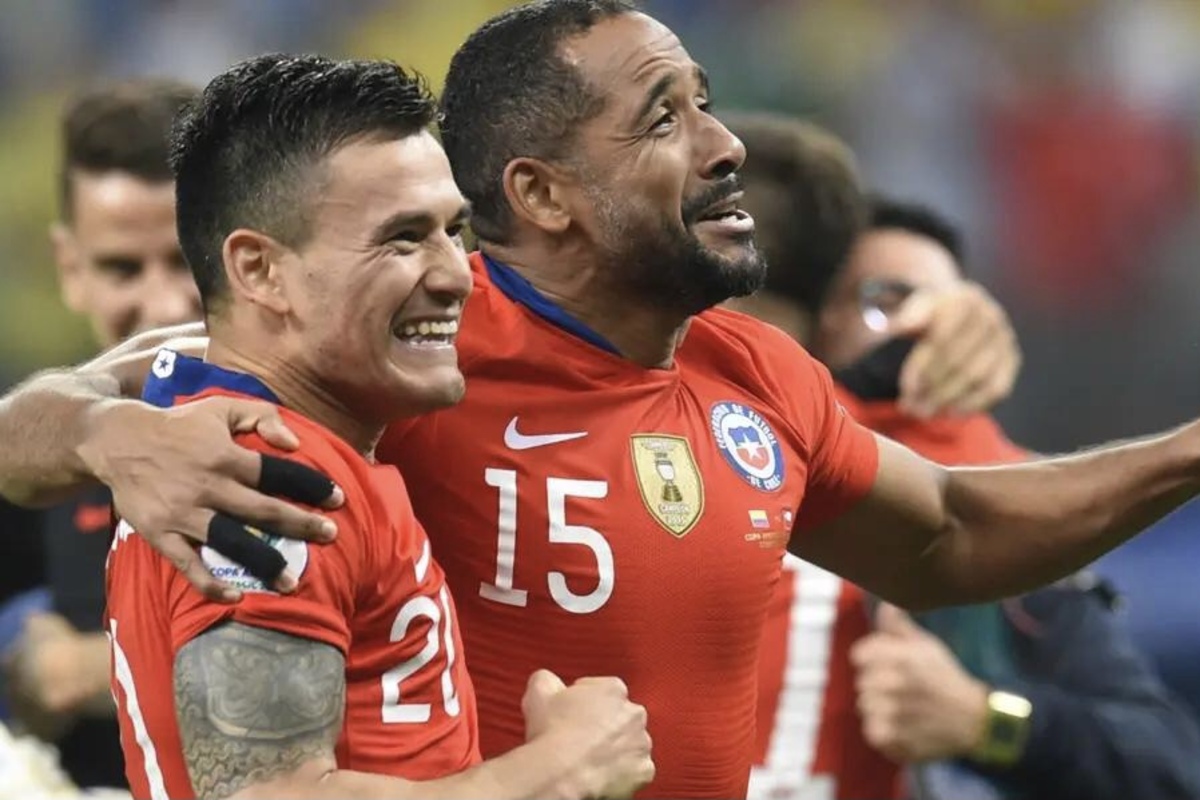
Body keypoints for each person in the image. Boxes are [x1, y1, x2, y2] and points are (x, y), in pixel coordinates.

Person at [0, 2, 1197, 798]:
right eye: (665, 117)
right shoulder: (396, 350)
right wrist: (109, 430)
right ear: (546, 193)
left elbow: (948, 533)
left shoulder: (753, 372)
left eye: (706, 101)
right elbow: (61, 415)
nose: (724, 144)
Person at [105, 53, 653, 800]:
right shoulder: (267, 478)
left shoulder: (253, 445)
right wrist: (562, 770)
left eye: (453, 230)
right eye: (403, 238)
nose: (456, 274)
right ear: (260, 271)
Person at [730, 112, 1200, 800]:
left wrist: (983, 719)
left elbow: (1166, 765)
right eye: (877, 298)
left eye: (934, 303)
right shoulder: (672, 424)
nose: (916, 327)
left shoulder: (987, 495)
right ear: (810, 316)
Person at [2, 79, 203, 791]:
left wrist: (84, 668)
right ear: (70, 268)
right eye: (124, 267)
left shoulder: (340, 436)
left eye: (186, 258)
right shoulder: (26, 460)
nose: (164, 303)